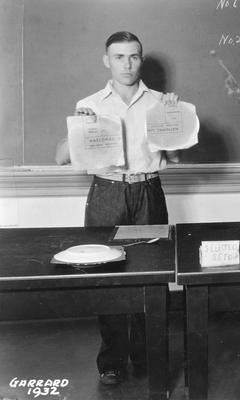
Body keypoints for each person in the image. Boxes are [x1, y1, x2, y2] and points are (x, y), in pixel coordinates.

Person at [56, 31, 186, 386]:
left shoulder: (161, 101)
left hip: (147, 191)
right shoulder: (90, 103)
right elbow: (63, 156)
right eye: (119, 57)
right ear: (106, 60)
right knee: (106, 274)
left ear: (141, 60)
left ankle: (146, 355)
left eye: (133, 57)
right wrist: (80, 125)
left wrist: (173, 118)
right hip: (107, 193)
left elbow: (172, 156)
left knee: (151, 274)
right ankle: (111, 360)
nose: (126, 64)